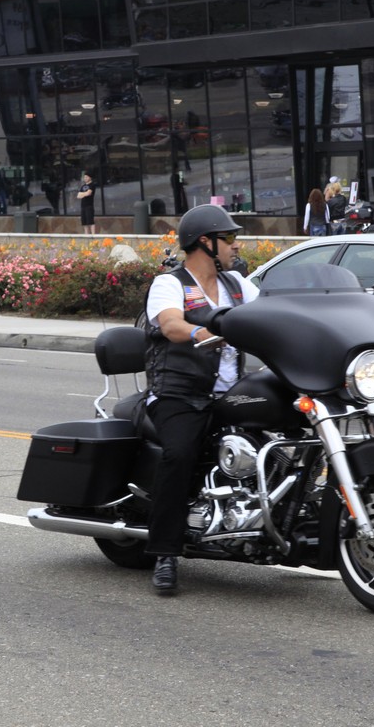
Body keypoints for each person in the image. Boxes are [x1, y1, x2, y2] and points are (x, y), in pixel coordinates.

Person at [143, 204, 259, 594]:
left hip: (231, 394)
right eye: (229, 238)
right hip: (179, 394)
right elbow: (171, 324)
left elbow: (271, 311)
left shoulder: (237, 284)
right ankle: (165, 553)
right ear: (205, 242)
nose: (235, 244)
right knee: (179, 454)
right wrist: (199, 332)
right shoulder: (170, 284)